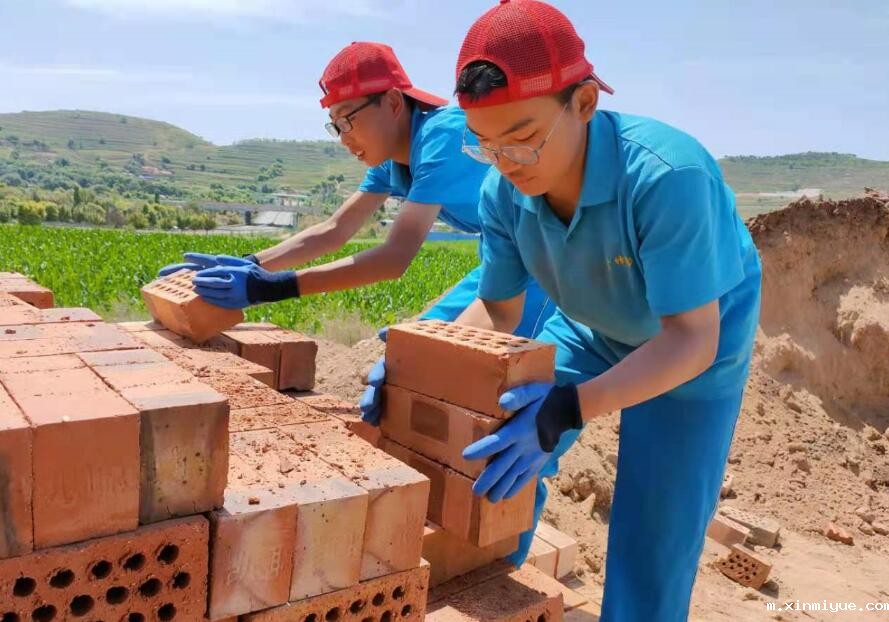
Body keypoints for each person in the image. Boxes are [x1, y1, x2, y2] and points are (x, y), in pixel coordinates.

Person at [447, 2, 762, 620]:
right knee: (488, 441)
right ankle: (485, 592)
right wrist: (427, 365)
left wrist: (567, 407)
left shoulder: (669, 177)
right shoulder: (504, 192)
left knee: (653, 534)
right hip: (593, 329)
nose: (507, 164)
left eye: (524, 139)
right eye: (486, 145)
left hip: (693, 351)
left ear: (584, 103)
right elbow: (498, 312)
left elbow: (691, 340)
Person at [158, 41, 554, 363]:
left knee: (491, 376)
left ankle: (535, 461)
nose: (344, 136)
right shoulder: (391, 159)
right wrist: (250, 265)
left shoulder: (442, 138)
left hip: (546, 252)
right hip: (502, 254)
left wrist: (268, 289)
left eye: (348, 119)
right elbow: (334, 231)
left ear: (394, 102)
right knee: (415, 355)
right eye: (335, 125)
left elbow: (394, 257)